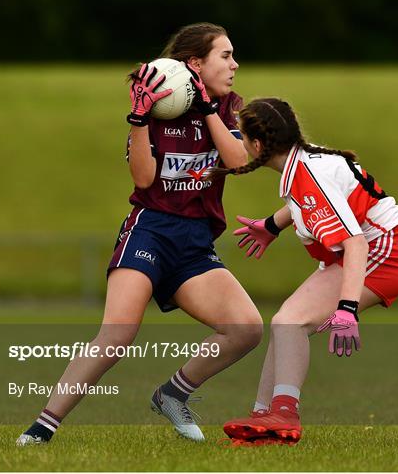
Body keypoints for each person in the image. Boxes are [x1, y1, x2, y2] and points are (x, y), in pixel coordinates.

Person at [16, 22, 263, 445]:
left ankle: (172, 394)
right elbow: (145, 179)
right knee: (117, 334)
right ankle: (41, 429)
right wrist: (138, 119)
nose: (234, 64)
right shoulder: (154, 108)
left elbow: (239, 162)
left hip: (195, 242)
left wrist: (206, 111)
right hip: (150, 232)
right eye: (225, 56)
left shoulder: (225, 108)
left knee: (246, 328)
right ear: (194, 64)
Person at [212, 97, 398, 445]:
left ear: (258, 145)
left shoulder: (309, 175)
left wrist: (347, 309)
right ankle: (262, 421)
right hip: (372, 249)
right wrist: (272, 225)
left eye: (242, 136)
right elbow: (307, 201)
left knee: (290, 321)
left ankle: (284, 414)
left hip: (386, 252)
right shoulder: (304, 162)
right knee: (286, 322)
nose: (240, 141)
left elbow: (355, 242)